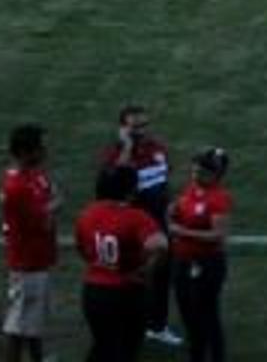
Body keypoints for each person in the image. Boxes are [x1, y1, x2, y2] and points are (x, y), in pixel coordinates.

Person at [97, 105, 177, 347]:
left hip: (158, 226)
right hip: (130, 231)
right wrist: (128, 149)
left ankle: (157, 325)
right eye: (135, 127)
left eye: (145, 125)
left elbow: (163, 182)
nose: (142, 131)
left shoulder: (158, 150)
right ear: (123, 129)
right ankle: (126, 327)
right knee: (129, 280)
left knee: (162, 276)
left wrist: (170, 209)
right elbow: (111, 187)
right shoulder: (114, 154)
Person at [76, 164, 166, 362]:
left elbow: (82, 248)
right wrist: (146, 271)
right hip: (127, 292)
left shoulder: (88, 213)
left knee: (102, 345)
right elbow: (160, 245)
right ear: (130, 190)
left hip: (93, 292)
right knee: (126, 350)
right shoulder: (136, 217)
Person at [1, 123, 59, 362]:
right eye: (40, 147)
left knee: (32, 323)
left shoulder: (33, 175)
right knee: (18, 328)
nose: (45, 151)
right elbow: (46, 219)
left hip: (37, 260)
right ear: (25, 152)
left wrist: (51, 204)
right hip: (28, 266)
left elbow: (50, 196)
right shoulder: (17, 187)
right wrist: (56, 204)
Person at [167, 149, 231, 362]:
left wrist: (182, 232)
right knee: (187, 312)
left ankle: (215, 356)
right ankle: (197, 355)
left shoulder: (218, 199)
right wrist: (173, 210)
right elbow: (183, 208)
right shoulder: (193, 188)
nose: (195, 176)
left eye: (201, 172)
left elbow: (218, 235)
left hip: (206, 265)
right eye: (194, 171)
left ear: (215, 175)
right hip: (183, 261)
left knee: (206, 314)